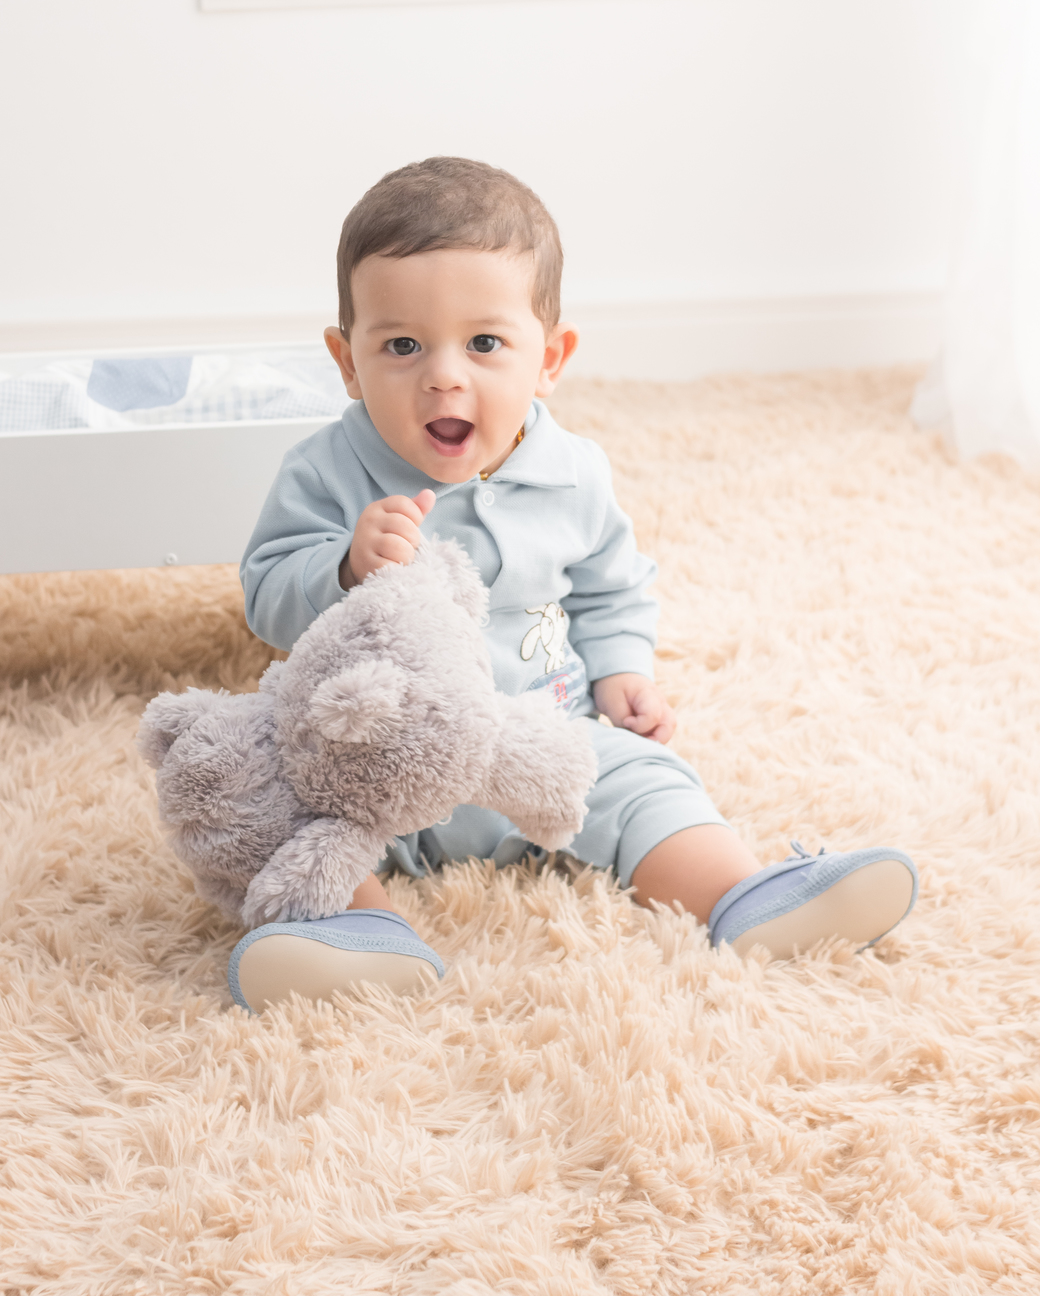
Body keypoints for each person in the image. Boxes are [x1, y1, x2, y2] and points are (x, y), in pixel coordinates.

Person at [230, 158, 917, 1013]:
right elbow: (265, 594)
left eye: (484, 344)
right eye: (401, 346)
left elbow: (612, 588)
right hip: (379, 763)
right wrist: (340, 566)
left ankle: (744, 896)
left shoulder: (575, 473)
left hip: (545, 744)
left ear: (549, 358)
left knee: (648, 781)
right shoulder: (325, 471)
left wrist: (623, 669)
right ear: (346, 361)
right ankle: (355, 933)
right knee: (274, 802)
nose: (444, 375)